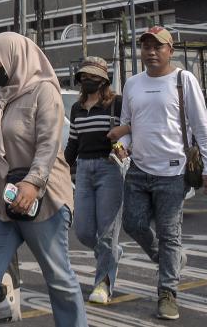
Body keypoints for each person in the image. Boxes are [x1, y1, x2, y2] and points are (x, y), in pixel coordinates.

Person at [0, 31, 87, 327]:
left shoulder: (44, 91)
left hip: (43, 202)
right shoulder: (3, 96)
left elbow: (49, 143)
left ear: (15, 57)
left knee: (59, 279)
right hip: (2, 205)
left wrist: (33, 182)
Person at [109, 26, 207, 320]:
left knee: (170, 234)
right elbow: (129, 127)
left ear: (170, 50)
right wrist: (121, 146)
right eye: (146, 46)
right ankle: (170, 259)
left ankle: (167, 292)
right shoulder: (132, 84)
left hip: (174, 171)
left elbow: (201, 129)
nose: (151, 51)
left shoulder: (184, 80)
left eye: (158, 46)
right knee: (133, 224)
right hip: (138, 170)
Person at [64, 56, 124, 305]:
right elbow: (73, 143)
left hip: (110, 168)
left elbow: (131, 129)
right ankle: (111, 254)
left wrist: (122, 142)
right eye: (84, 77)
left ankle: (103, 283)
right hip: (84, 170)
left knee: (108, 232)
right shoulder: (77, 109)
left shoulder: (116, 104)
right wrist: (60, 167)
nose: (88, 81)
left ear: (104, 80)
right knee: (84, 231)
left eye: (93, 77)